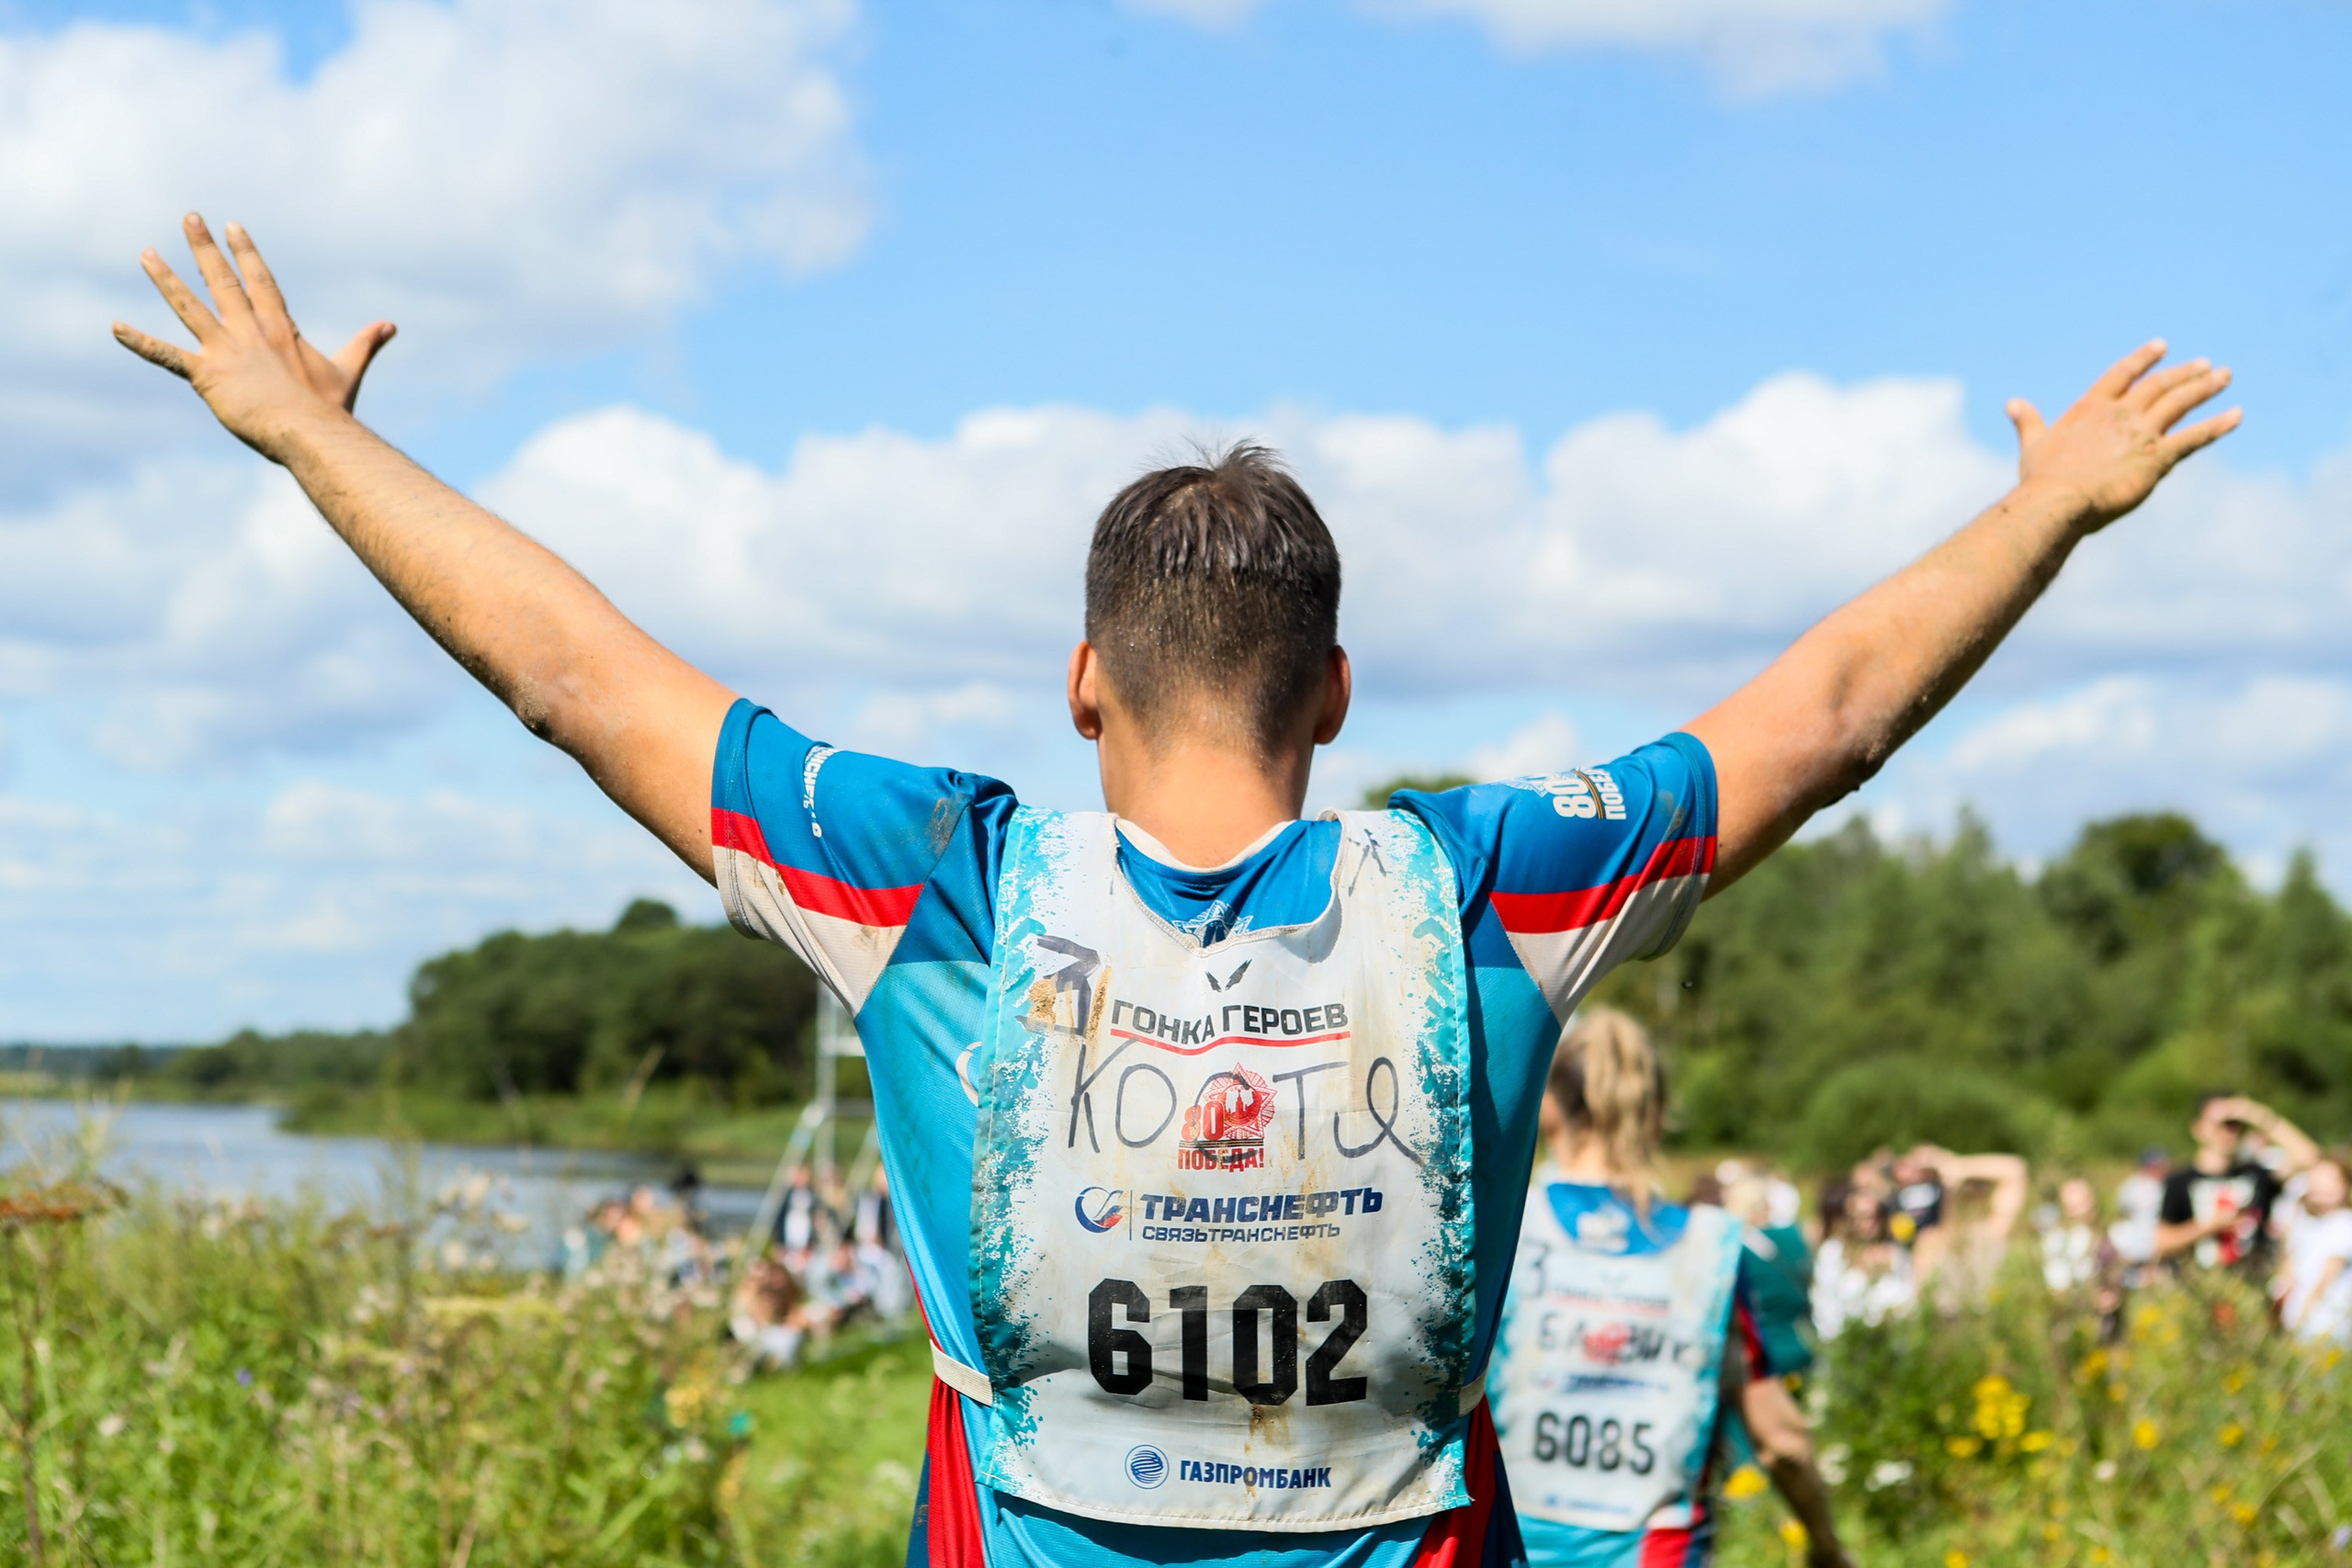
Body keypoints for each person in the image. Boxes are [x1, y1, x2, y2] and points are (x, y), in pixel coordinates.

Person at [115, 212, 2236, 1567]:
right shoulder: (1484, 888)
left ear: (1077, 678)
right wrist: (2043, 502)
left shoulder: (939, 882)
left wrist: (313, 439)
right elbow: (1831, 711)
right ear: (1330, 687)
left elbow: (573, 676)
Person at [1489, 1010, 1850, 1568]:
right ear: (1656, 1117)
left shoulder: (1504, 1229)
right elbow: (1781, 1442)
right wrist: (1826, 1547)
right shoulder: (1710, 1250)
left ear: (1550, 1107)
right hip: (1656, 1552)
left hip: (1509, 1546)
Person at [2155, 1094, 2319, 1273]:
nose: (2229, 1131)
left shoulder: (2256, 1174)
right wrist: (2209, 1226)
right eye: (2221, 1124)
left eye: (2235, 1124)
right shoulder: (2179, 1182)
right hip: (2200, 1289)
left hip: (2254, 1289)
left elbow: (2312, 1158)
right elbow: (2161, 1243)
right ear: (2198, 1128)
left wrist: (2256, 1115)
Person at [1811, 1182, 1916, 1340]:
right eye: (1863, 1216)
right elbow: (1825, 1302)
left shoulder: (1896, 1253)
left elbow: (1909, 1299)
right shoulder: (1833, 1252)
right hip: (1848, 1341)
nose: (1870, 1223)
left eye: (1877, 1216)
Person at [2272, 1155, 2352, 1344]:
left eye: (2331, 1180)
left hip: (2325, 1325)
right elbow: (2288, 1267)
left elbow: (2326, 1279)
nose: (2323, 1186)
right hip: (2297, 1320)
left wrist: (2301, 1316)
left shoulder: (2345, 1223)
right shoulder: (2304, 1219)